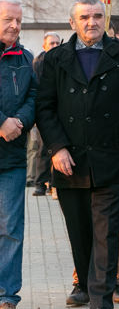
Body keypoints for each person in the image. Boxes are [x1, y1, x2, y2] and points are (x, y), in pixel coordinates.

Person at [36, 0, 119, 309]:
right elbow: (44, 108)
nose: (91, 22)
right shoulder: (56, 58)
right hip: (69, 160)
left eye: (97, 16)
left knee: (106, 232)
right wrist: (57, 148)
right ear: (72, 23)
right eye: (85, 17)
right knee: (80, 233)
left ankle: (102, 301)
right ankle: (89, 287)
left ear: (104, 19)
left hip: (111, 157)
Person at [0, 0, 37, 309]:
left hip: (11, 159)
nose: (15, 25)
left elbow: (35, 96)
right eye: (8, 20)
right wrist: (1, 122)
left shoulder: (24, 58)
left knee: (11, 228)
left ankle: (7, 297)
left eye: (19, 21)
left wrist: (20, 121)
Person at [28, 32, 61, 195]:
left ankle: (54, 184)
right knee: (42, 148)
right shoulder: (38, 63)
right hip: (44, 112)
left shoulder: (64, 59)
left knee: (59, 146)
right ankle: (40, 183)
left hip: (61, 111)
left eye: (57, 43)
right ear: (44, 46)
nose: (55, 46)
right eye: (51, 44)